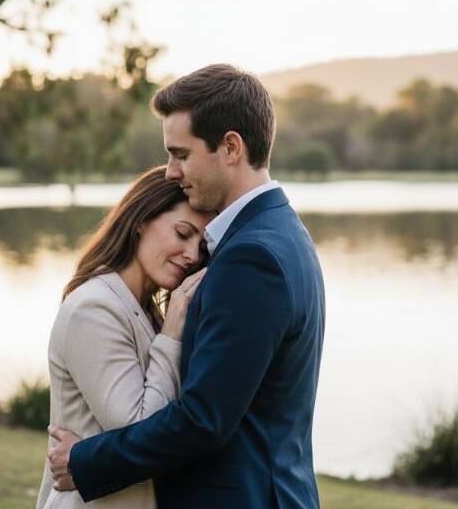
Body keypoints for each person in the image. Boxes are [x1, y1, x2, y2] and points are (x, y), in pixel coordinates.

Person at [47, 64, 326, 509]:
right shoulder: (277, 234)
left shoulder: (252, 257)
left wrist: (84, 461)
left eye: (181, 154)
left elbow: (202, 420)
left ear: (230, 147)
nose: (171, 172)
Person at [36, 165, 214, 509]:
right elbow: (141, 427)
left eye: (201, 247)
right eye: (182, 233)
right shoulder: (95, 309)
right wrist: (173, 332)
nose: (192, 255)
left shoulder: (142, 309)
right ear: (141, 220)